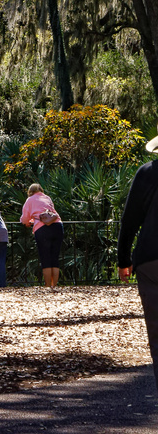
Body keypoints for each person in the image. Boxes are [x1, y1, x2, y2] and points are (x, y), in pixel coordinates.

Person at [118, 131, 158, 389]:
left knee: (156, 331)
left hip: (151, 258)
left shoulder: (146, 173)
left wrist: (124, 260)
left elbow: (130, 220)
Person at [20, 182, 63, 288]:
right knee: (55, 257)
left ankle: (48, 285)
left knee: (46, 257)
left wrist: (28, 223)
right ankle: (54, 285)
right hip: (57, 225)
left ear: (30, 192)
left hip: (42, 229)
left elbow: (25, 219)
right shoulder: (47, 198)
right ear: (41, 190)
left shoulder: (30, 200)